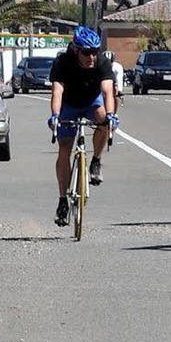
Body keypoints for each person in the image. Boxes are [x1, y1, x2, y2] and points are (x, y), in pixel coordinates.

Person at [48, 24, 118, 225]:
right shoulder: (63, 61)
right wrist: (55, 116)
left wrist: (111, 115)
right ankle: (62, 201)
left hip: (91, 102)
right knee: (64, 149)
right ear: (77, 50)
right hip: (69, 104)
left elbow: (107, 91)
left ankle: (96, 160)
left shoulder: (102, 62)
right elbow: (57, 92)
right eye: (87, 53)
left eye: (95, 52)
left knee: (104, 120)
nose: (92, 57)